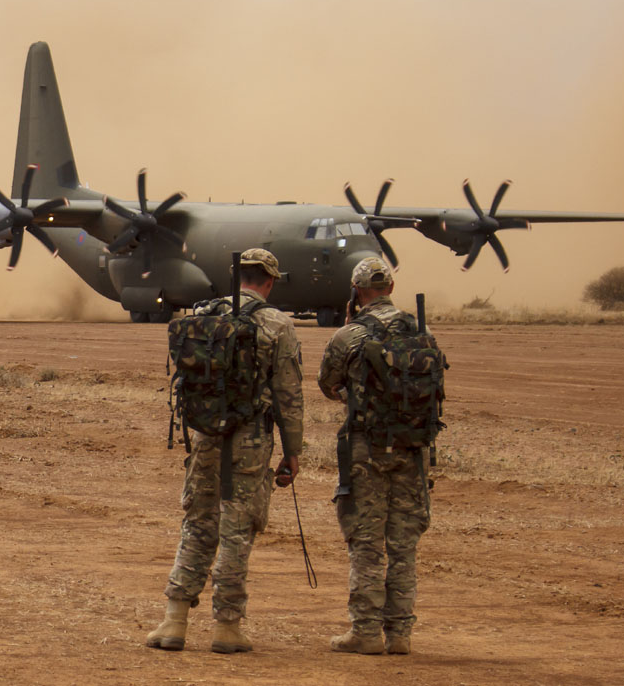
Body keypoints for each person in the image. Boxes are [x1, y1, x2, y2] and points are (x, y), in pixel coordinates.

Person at [146, 248, 304, 654]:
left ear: (236, 276)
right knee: (237, 529)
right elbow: (288, 395)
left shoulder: (204, 313)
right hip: (250, 438)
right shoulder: (277, 324)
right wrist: (292, 451)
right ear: (269, 281)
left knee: (198, 522)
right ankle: (226, 626)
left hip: (204, 434)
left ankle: (173, 621)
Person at [317, 256, 432, 656]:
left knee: (367, 541)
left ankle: (365, 631)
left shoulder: (349, 335)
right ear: (391, 289)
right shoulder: (420, 330)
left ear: (357, 291)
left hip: (366, 448)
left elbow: (327, 383)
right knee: (403, 544)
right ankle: (399, 634)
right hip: (413, 447)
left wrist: (353, 394)